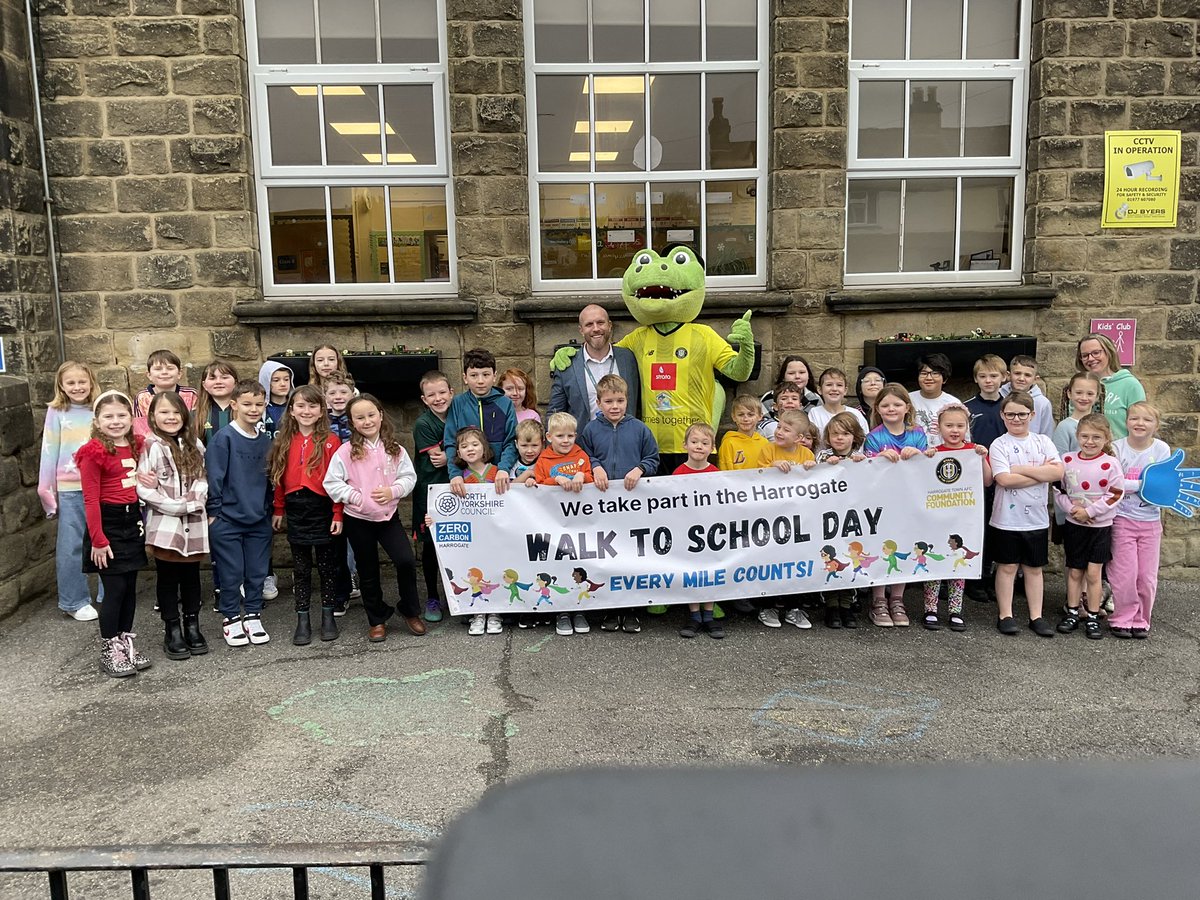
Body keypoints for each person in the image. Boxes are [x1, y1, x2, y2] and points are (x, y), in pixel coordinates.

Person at [322, 394, 427, 643]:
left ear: (380, 415)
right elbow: (332, 482)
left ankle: (409, 610)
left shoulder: (395, 449)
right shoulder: (345, 452)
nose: (367, 421)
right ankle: (377, 618)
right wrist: (355, 497)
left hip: (388, 518)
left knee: (405, 561)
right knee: (367, 570)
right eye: (360, 418)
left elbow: (408, 477)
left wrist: (394, 491)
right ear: (352, 422)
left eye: (371, 415)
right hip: (358, 520)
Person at [579, 374, 660, 635]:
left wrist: (640, 469)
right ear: (599, 403)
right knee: (607, 557)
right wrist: (595, 466)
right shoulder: (590, 430)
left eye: (620, 400)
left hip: (632, 507)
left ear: (627, 400)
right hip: (602, 506)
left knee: (632, 557)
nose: (615, 406)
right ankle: (611, 608)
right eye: (609, 401)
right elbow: (583, 456)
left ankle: (631, 608)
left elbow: (653, 458)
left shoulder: (640, 429)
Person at [76, 391, 148, 678]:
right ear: (97, 421)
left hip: (132, 520)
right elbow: (90, 499)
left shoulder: (136, 445)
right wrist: (98, 539)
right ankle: (109, 646)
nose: (116, 421)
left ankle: (125, 640)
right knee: (115, 588)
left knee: (130, 587)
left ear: (131, 418)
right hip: (108, 523)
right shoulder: (93, 451)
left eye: (121, 415)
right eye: (108, 416)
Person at [268, 385, 344, 646]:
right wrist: (279, 509)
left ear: (322, 411)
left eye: (312, 406)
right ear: (291, 410)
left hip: (322, 506)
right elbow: (278, 478)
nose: (306, 411)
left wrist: (337, 513)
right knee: (300, 569)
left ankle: (328, 615)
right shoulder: (283, 440)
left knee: (327, 566)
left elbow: (338, 481)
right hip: (296, 507)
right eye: (300, 405)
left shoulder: (332, 441)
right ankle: (302, 618)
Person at [137, 391, 210, 659]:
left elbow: (202, 478)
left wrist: (194, 500)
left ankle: (192, 625)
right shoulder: (150, 446)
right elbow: (145, 488)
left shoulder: (195, 444)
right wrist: (177, 506)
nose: (171, 417)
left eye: (176, 412)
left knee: (191, 576)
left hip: (193, 520)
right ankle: (172, 629)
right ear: (153, 416)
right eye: (164, 412)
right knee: (167, 577)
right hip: (165, 521)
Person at [988, 390, 1063, 638]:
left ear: (1031, 415)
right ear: (1002, 415)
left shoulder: (1043, 442)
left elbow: (1057, 473)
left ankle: (1036, 616)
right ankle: (1005, 615)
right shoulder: (999, 444)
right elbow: (1004, 479)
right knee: (1007, 567)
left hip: (1036, 519)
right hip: (1006, 520)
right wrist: (1039, 473)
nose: (1016, 419)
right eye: (1010, 414)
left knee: (1034, 568)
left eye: (1021, 414)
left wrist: (1020, 469)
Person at [206, 379, 274, 647]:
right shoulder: (223, 439)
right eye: (247, 404)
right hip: (227, 519)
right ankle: (231, 617)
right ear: (234, 405)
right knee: (231, 572)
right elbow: (214, 477)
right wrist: (214, 513)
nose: (253, 409)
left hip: (258, 519)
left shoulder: (265, 441)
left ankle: (253, 615)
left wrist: (268, 510)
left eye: (259, 404)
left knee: (257, 572)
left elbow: (269, 480)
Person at [37, 360, 103, 621]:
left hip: (102, 485)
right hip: (70, 487)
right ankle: (73, 600)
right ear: (62, 386)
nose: (77, 387)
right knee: (71, 545)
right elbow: (49, 449)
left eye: (82, 381)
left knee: (106, 538)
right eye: (71, 383)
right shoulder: (57, 411)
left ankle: (110, 592)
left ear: (91, 382)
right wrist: (46, 490)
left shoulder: (100, 408)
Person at [921, 404, 991, 632]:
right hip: (937, 518)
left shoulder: (973, 451)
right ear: (939, 427)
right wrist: (926, 459)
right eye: (949, 425)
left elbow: (988, 481)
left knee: (959, 563)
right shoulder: (934, 452)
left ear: (967, 427)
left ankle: (955, 610)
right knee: (935, 562)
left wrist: (982, 458)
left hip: (964, 519)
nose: (954, 430)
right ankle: (930, 609)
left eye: (960, 426)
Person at [863, 384, 928, 627]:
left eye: (897, 404)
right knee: (882, 547)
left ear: (907, 407)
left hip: (909, 502)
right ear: (877, 409)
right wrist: (878, 458)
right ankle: (879, 599)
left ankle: (897, 598)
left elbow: (926, 466)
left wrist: (918, 454)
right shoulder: (874, 437)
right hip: (881, 503)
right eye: (886, 405)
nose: (891, 409)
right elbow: (865, 472)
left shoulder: (918, 434)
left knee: (904, 547)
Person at [1055, 413, 1124, 640]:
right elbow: (1058, 490)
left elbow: (1115, 494)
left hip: (1100, 528)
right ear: (1077, 436)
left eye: (1096, 437)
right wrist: (1073, 510)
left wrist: (1090, 512)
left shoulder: (1111, 464)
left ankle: (1093, 615)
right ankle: (1073, 611)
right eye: (1084, 436)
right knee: (1075, 571)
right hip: (1075, 525)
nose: (1090, 441)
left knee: (1094, 573)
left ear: (1106, 438)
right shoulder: (1066, 460)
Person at [1108, 402, 1170, 639]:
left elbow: (1161, 485)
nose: (1140, 423)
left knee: (1146, 576)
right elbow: (1114, 483)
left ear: (1156, 425)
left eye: (1147, 420)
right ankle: (1122, 618)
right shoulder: (1117, 448)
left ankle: (1141, 619)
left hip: (1150, 522)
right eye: (1134, 418)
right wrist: (1144, 485)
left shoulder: (1161, 449)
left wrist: (1133, 485)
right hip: (1122, 518)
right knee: (1124, 574)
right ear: (1126, 422)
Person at [548, 304, 641, 424]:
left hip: (625, 434)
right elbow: (555, 413)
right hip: (583, 435)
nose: (596, 328)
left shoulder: (628, 358)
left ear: (609, 326)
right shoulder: (568, 365)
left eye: (600, 322)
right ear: (581, 330)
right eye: (589, 324)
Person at [963, 354, 1008, 603]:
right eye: (983, 376)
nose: (988, 381)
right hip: (975, 478)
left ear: (1003, 378)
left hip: (1004, 477)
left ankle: (990, 577)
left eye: (993, 376)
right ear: (975, 379)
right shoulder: (967, 408)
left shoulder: (1010, 407)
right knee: (976, 527)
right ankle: (974, 579)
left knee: (996, 529)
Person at [444, 348, 517, 496]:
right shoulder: (458, 403)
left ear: (494, 376)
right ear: (465, 378)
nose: (480, 381)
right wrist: (455, 474)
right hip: (466, 479)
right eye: (474, 375)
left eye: (486, 374)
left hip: (499, 478)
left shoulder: (505, 403)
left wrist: (504, 468)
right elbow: (451, 442)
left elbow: (511, 440)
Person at [413, 371, 454, 622]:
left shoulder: (459, 414)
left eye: (442, 392)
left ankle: (456, 593)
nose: (438, 398)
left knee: (459, 543)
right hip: (431, 491)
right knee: (431, 545)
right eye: (431, 395)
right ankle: (432, 596)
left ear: (451, 392)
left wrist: (452, 456)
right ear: (424, 399)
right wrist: (455, 455)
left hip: (459, 489)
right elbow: (438, 458)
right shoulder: (424, 424)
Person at [1075, 332, 1146, 440]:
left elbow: (1141, 425)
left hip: (1119, 449)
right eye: (1085, 355)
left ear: (1109, 352)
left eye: (1096, 353)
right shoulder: (1078, 385)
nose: (1090, 358)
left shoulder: (1130, 385)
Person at [133, 349, 198, 439]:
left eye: (170, 368)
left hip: (186, 440)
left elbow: (196, 423)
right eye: (158, 369)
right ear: (149, 375)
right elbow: (140, 427)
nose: (164, 372)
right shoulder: (142, 397)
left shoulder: (191, 395)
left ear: (179, 373)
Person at [808, 367, 868, 445]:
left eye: (839, 385)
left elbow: (864, 440)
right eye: (829, 385)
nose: (834, 389)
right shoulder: (814, 413)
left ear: (845, 390)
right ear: (819, 390)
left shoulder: (855, 414)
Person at [909, 353, 960, 444]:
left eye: (935, 373)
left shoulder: (953, 403)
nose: (929, 378)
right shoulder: (907, 399)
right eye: (924, 373)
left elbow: (963, 436)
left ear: (944, 379)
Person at [1000, 355, 1054, 438]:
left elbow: (1047, 433)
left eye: (1027, 375)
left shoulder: (1042, 403)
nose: (1021, 378)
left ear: (1035, 379)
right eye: (1017, 373)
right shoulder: (999, 396)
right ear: (1008, 375)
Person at [718, 394, 769, 471]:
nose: (745, 419)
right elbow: (725, 472)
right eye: (741, 415)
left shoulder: (764, 442)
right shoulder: (729, 443)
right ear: (734, 417)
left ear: (760, 416)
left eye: (750, 415)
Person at [194, 359, 238, 445]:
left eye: (224, 377)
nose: (218, 382)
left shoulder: (245, 411)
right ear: (204, 385)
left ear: (235, 383)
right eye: (212, 378)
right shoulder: (195, 415)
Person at [258, 359, 294, 442]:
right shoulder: (261, 408)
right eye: (276, 380)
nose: (283, 384)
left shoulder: (295, 406)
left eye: (286, 379)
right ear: (266, 382)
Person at [324, 373, 356, 442]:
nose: (338, 397)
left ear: (353, 396)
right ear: (325, 397)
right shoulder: (322, 422)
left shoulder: (357, 419)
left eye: (343, 392)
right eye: (332, 393)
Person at [511, 419, 544, 485]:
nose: (529, 451)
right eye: (524, 445)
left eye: (534, 445)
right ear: (516, 444)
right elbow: (511, 486)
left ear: (542, 444)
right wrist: (528, 473)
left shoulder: (544, 462)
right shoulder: (513, 463)